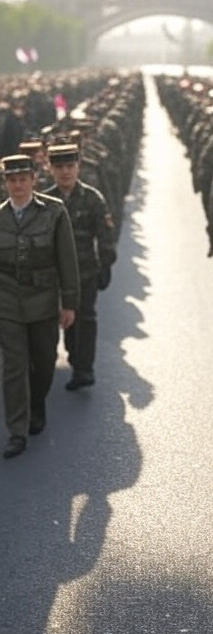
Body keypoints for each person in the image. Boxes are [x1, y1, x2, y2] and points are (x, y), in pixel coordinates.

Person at [0, 154, 80, 458]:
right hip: (7, 302)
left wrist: (69, 303)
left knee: (44, 362)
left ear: (34, 179)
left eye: (23, 179)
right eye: (12, 180)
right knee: (14, 366)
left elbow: (67, 261)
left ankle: (37, 405)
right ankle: (17, 431)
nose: (18, 186)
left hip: (43, 301)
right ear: (5, 183)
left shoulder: (54, 212)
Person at [43, 143, 116, 390]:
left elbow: (105, 234)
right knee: (60, 322)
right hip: (53, 274)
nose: (65, 172)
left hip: (85, 271)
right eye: (59, 167)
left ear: (78, 167)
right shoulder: (44, 201)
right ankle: (69, 358)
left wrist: (106, 263)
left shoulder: (92, 198)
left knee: (85, 318)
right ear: (51, 169)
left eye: (70, 166)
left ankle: (84, 368)